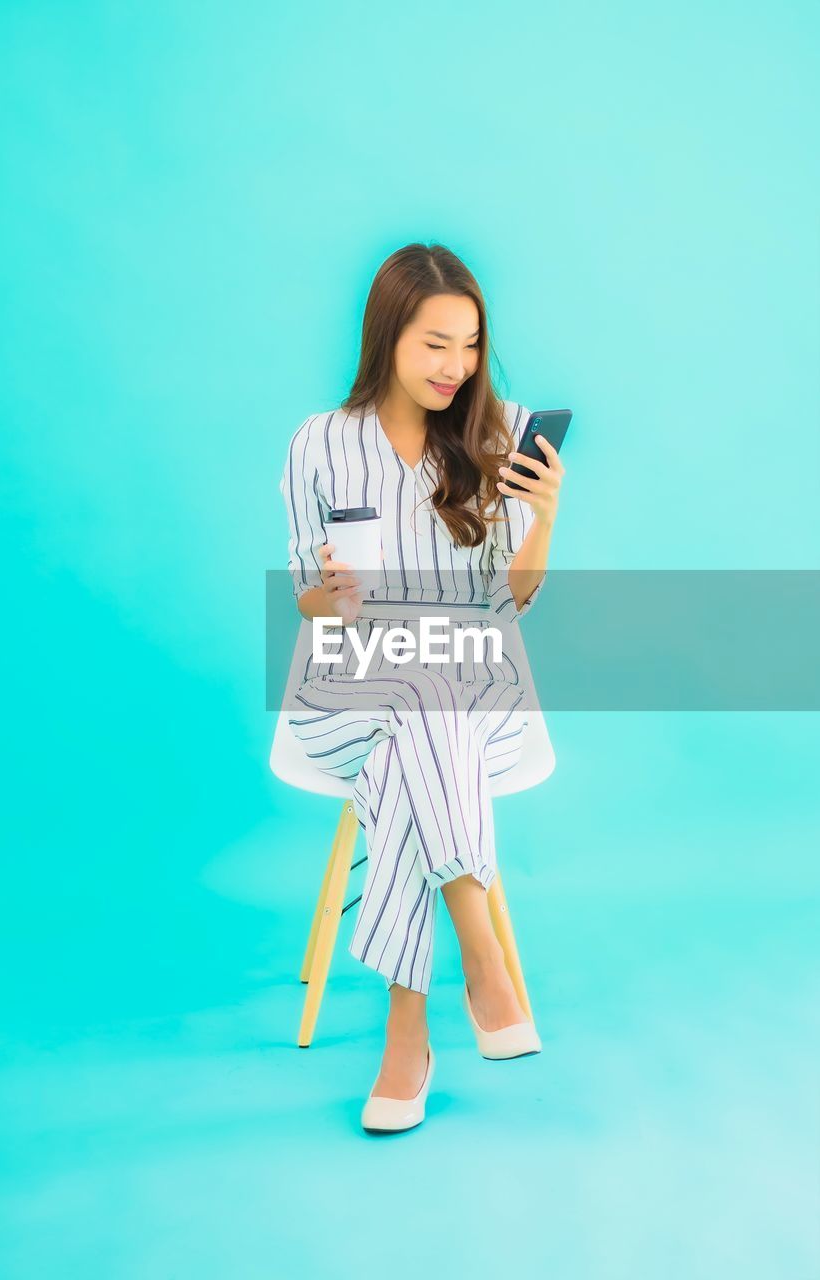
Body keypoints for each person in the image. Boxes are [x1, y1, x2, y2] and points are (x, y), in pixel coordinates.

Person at [278, 242, 565, 1131]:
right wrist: (330, 589)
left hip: (472, 691)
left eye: (469, 345)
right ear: (388, 336)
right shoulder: (320, 443)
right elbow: (308, 603)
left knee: (423, 706)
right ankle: (482, 963)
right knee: (408, 700)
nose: (455, 367)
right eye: (435, 343)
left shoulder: (499, 432)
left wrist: (543, 519)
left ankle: (409, 1037)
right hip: (348, 688)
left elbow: (508, 602)